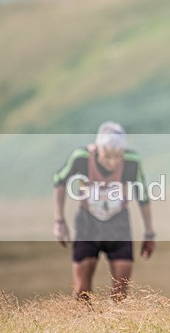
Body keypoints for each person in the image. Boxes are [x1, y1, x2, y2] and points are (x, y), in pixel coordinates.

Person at [52, 121, 156, 302]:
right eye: (107, 156)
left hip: (119, 225)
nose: (113, 163)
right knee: (81, 292)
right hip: (87, 224)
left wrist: (149, 233)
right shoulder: (81, 157)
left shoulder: (132, 162)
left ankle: (116, 327)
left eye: (118, 157)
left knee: (121, 293)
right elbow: (59, 181)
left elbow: (143, 196)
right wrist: (59, 221)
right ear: (97, 148)